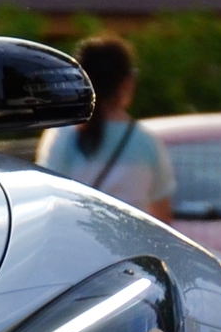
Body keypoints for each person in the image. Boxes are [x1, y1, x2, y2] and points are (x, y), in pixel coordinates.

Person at [35, 35, 173, 219]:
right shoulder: (146, 142)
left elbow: (46, 202)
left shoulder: (62, 135)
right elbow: (162, 217)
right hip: (130, 245)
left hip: (76, 242)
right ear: (128, 82)